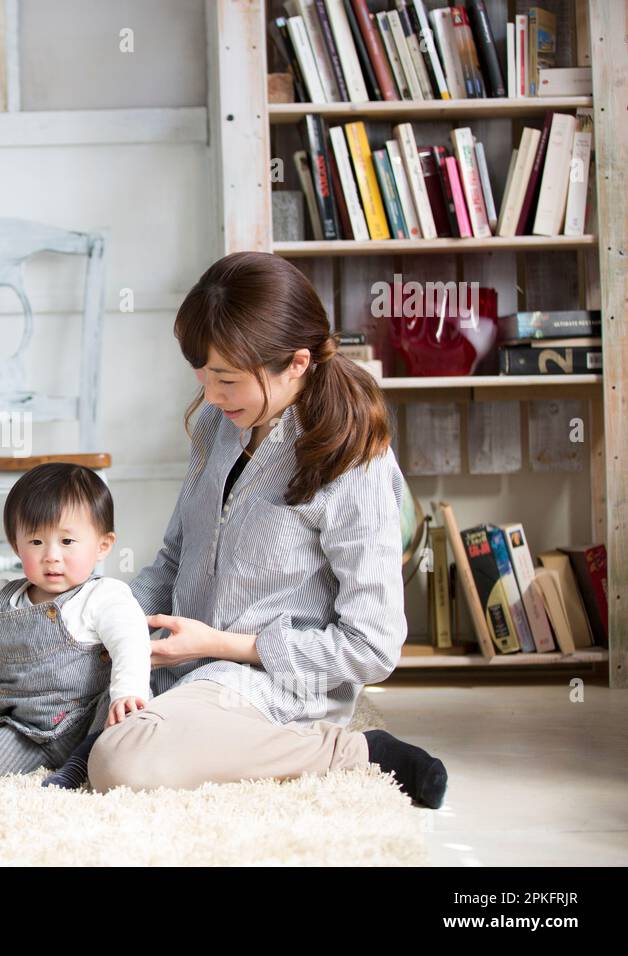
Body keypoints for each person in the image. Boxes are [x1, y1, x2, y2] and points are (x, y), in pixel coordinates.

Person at [88, 251, 449, 808]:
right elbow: (175, 554)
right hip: (186, 661)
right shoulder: (218, 425)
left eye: (226, 379)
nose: (210, 395)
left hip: (272, 682)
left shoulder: (353, 461)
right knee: (48, 691)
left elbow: (373, 647)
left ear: (297, 364)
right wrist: (107, 618)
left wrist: (223, 646)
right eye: (202, 376)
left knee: (122, 761)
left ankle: (354, 754)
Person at [0, 463, 151, 789]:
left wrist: (128, 692)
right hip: (26, 728)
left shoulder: (104, 595)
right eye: (37, 542)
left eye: (68, 541)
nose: (52, 556)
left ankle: (80, 763)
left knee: (120, 714)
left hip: (89, 721)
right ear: (16, 545)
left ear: (102, 545)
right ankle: (38, 754)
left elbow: (132, 644)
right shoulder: (3, 600)